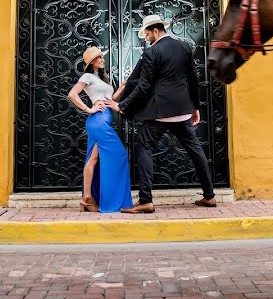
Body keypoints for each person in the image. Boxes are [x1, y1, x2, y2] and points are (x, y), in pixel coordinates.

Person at [106, 14, 216, 214]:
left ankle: (146, 200)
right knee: (196, 150)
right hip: (183, 111)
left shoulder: (152, 52)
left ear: (155, 31)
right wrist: (195, 107)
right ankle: (209, 196)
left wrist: (122, 106)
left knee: (143, 146)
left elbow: (143, 85)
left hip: (161, 112)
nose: (146, 38)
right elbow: (193, 78)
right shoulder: (184, 47)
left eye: (147, 34)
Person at [67, 46, 134, 213]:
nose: (102, 60)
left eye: (102, 57)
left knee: (94, 159)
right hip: (98, 121)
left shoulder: (100, 79)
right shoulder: (87, 76)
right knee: (120, 155)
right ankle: (92, 198)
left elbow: (110, 99)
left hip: (103, 120)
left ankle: (87, 198)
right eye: (99, 58)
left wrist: (123, 87)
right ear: (92, 62)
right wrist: (88, 109)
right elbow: (72, 94)